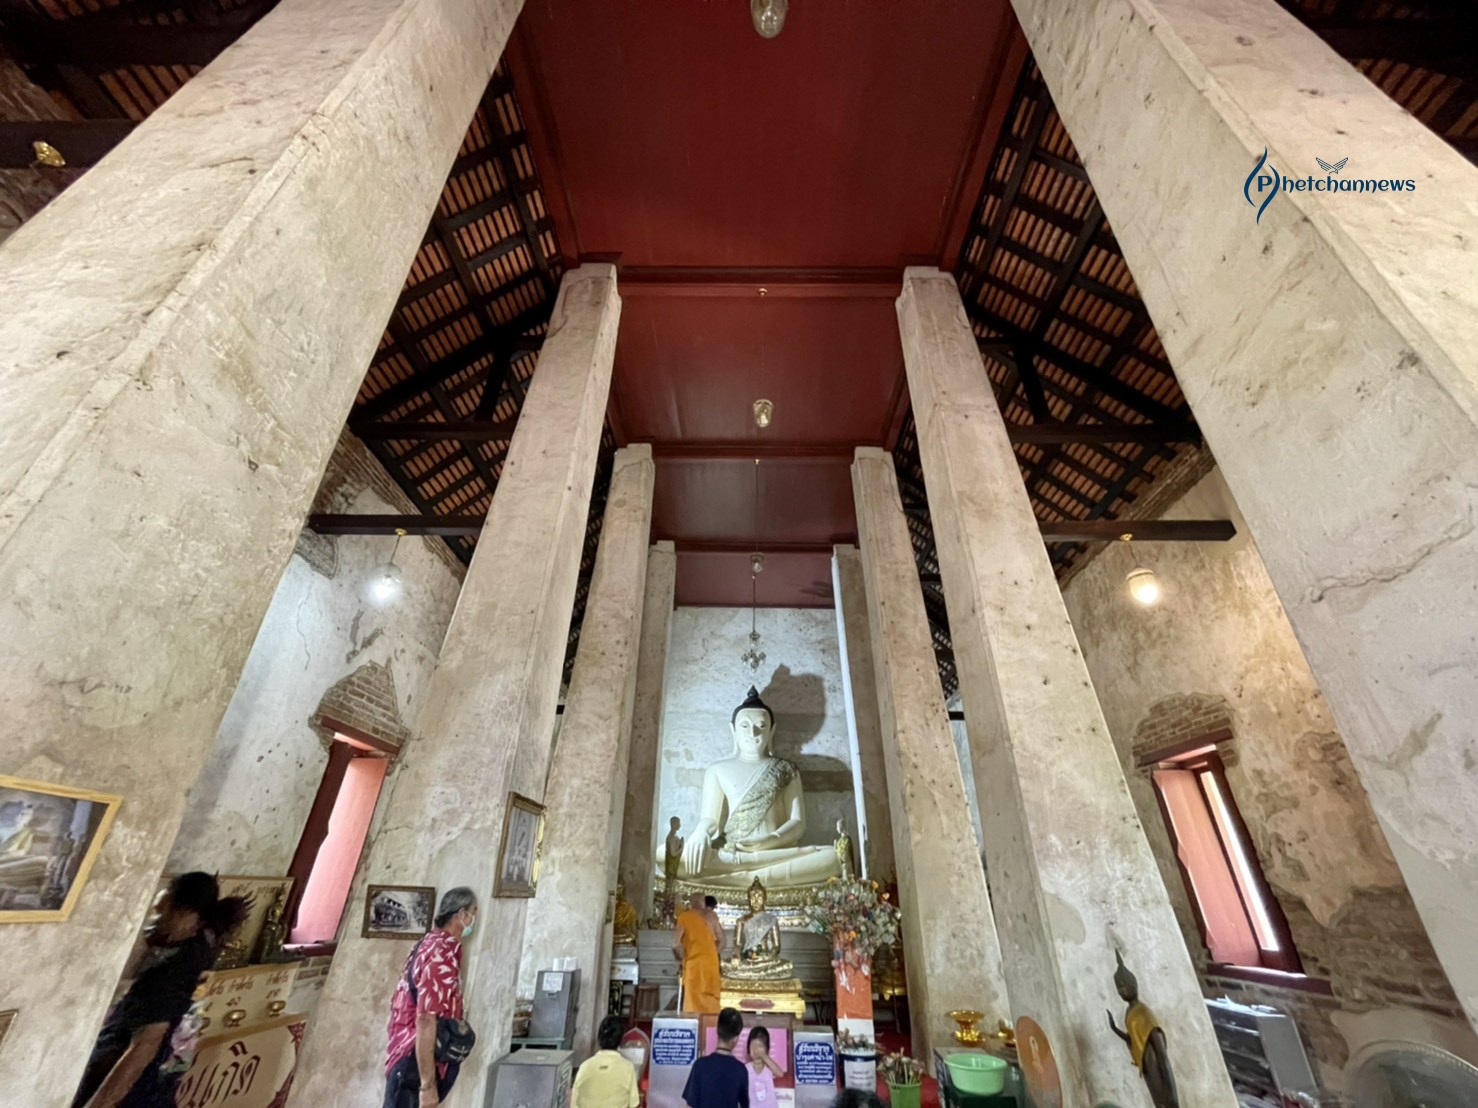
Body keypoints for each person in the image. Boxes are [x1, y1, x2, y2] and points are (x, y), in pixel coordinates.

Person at [73, 872, 249, 1108]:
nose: (156, 919)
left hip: (132, 1090)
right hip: (152, 1081)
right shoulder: (197, 944)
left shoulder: (178, 967)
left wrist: (99, 1104)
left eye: (162, 912)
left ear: (185, 913)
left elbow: (145, 1046)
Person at [385, 887, 478, 1108]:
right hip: (413, 1064)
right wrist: (427, 1085)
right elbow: (426, 1018)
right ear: (462, 914)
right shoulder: (440, 953)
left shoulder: (430, 943)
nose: (475, 919)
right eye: (474, 912)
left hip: (410, 1059)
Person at [682, 1008, 748, 1108]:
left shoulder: (700, 1066)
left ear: (717, 1031)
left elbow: (689, 1105)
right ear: (735, 1038)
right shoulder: (740, 1070)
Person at [572, 1016, 640, 1108]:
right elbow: (634, 1104)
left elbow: (574, 1104)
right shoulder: (627, 1068)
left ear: (599, 1038)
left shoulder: (584, 1066)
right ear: (621, 1040)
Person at [673, 893, 721, 1013]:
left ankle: (693, 1020)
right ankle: (710, 1021)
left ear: (690, 903)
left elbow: (675, 944)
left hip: (693, 964)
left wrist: (681, 958)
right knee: (710, 996)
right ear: (704, 902)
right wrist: (713, 953)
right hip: (710, 963)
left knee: (693, 999)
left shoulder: (684, 917)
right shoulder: (712, 916)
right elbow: (723, 940)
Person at [744, 1025, 784, 1108]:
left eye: (760, 1046)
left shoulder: (769, 1067)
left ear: (767, 1049)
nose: (756, 1050)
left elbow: (780, 1073)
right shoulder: (745, 1069)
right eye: (753, 1046)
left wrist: (764, 1056)